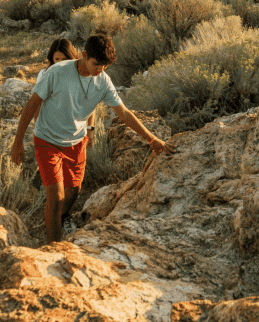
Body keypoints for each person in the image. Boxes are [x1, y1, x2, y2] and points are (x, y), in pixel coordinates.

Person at [10, 33, 176, 244]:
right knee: (56, 195)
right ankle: (53, 247)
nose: (100, 70)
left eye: (105, 66)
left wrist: (152, 139)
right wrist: (17, 142)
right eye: (96, 64)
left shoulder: (103, 81)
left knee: (74, 190)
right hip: (47, 140)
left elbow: (123, 113)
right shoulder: (57, 72)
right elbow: (31, 105)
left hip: (77, 141)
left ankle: (62, 217)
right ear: (84, 55)